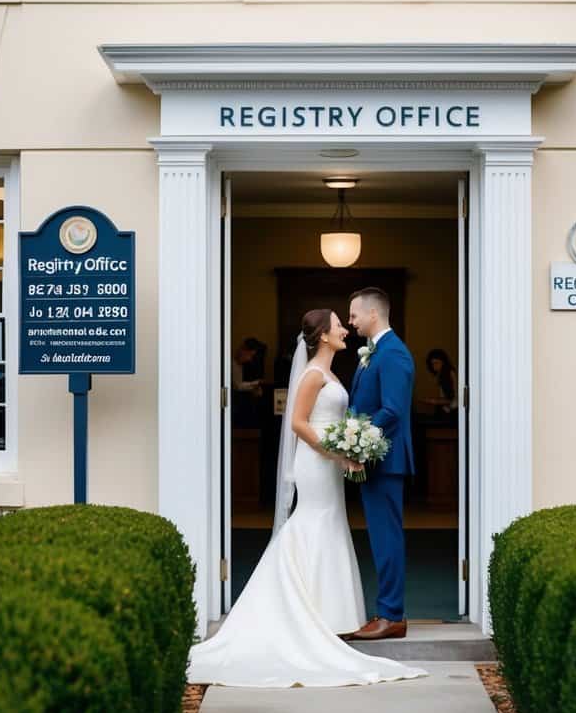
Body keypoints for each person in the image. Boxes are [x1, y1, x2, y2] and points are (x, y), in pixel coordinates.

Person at [186, 308, 428, 688]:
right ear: (323, 335)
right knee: (313, 522)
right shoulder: (313, 374)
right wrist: (338, 451)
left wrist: (349, 444)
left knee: (331, 524)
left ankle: (329, 613)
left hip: (331, 461)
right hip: (317, 463)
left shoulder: (332, 371)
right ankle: (301, 610)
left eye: (347, 320)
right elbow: (298, 423)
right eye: (338, 324)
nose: (345, 327)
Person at [342, 288, 415, 642]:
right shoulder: (375, 352)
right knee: (379, 535)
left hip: (385, 459)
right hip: (374, 458)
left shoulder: (394, 353)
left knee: (387, 536)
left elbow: (393, 410)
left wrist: (356, 439)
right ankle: (386, 611)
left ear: (373, 314)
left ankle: (391, 616)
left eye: (354, 315)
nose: (351, 322)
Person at [423, 348, 458, 419]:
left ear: (443, 362)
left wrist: (435, 401)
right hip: (445, 409)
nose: (434, 366)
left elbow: (455, 398)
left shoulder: (451, 373)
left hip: (452, 411)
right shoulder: (440, 374)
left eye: (436, 363)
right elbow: (444, 397)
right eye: (432, 364)